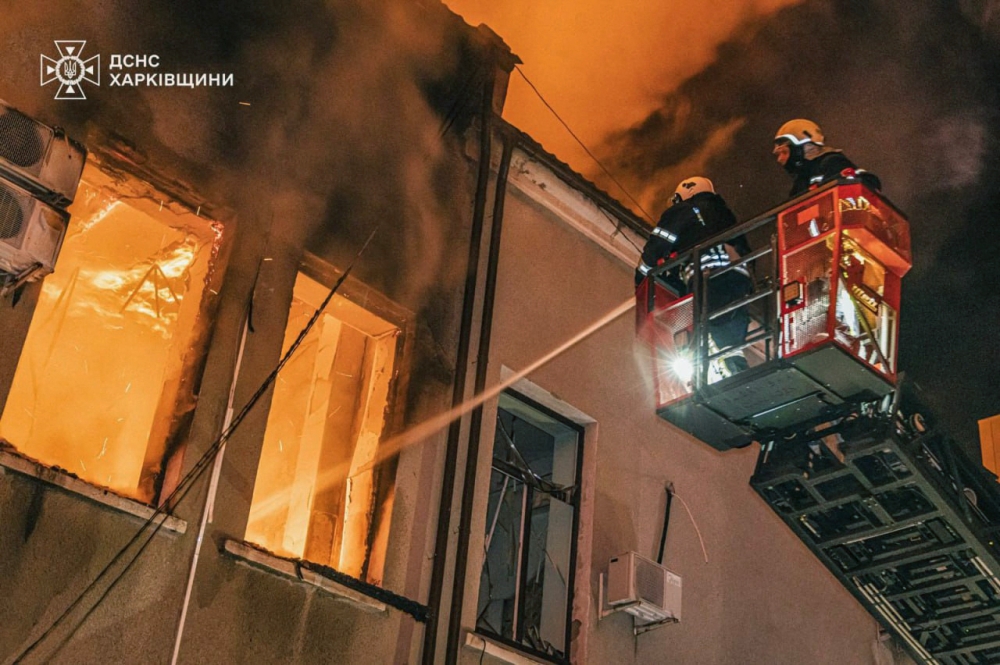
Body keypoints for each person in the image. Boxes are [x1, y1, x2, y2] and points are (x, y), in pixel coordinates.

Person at [635, 176, 753, 373]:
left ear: (687, 191)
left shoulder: (682, 210)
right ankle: (734, 362)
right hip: (740, 275)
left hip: (709, 272)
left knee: (706, 320)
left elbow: (659, 244)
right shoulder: (724, 214)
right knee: (730, 323)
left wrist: (641, 276)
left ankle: (707, 369)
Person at [772, 119, 881, 197]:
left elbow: (868, 183)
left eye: (784, 152)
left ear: (800, 151)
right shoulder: (801, 181)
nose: (780, 159)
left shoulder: (831, 162)